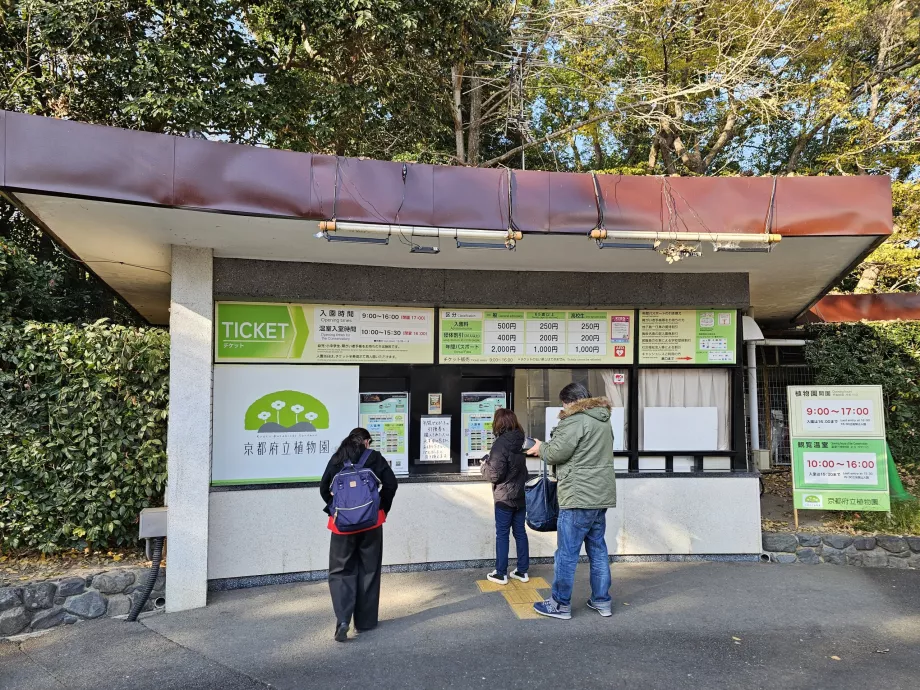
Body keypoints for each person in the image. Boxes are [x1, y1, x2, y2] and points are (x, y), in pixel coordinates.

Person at [526, 383, 616, 620]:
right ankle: (602, 601)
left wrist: (539, 447)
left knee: (566, 553)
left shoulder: (575, 420)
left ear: (569, 402)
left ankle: (560, 604)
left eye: (563, 404)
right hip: (600, 495)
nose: (562, 408)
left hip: (577, 496)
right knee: (597, 549)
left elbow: (556, 453)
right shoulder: (603, 420)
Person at [320, 428, 398, 642]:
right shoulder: (373, 457)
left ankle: (343, 620)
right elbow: (391, 484)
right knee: (369, 569)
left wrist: (334, 508)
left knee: (340, 571)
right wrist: (381, 507)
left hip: (341, 526)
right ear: (366, 441)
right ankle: (365, 622)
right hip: (371, 524)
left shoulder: (337, 458)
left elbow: (323, 488)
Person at [480, 408, 530, 585]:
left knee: (502, 534)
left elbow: (495, 475)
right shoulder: (520, 440)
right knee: (520, 533)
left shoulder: (500, 444)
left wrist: (483, 466)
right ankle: (522, 571)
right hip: (520, 495)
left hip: (504, 497)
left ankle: (501, 573)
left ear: (499, 423)